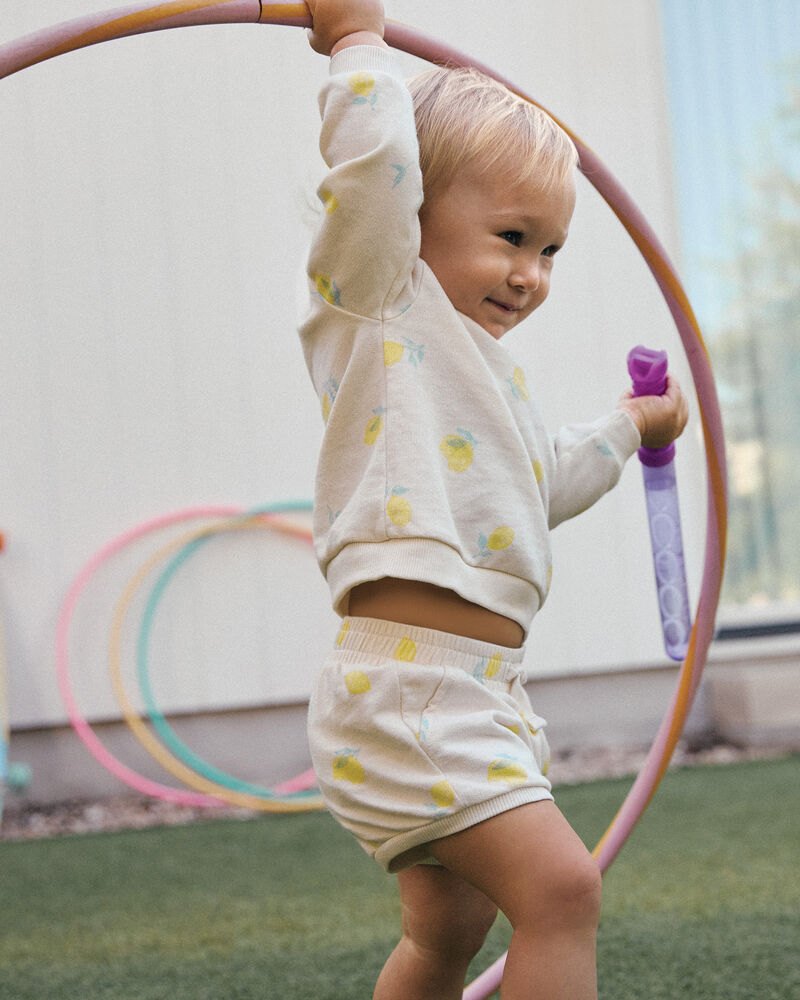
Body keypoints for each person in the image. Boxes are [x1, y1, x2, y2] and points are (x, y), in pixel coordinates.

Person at [299, 3, 689, 997]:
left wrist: (627, 427)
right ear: (410, 216)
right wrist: (356, 43)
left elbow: (541, 483)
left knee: (447, 932)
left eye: (549, 251)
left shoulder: (483, 375)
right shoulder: (380, 304)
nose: (530, 275)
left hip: (479, 692)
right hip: (410, 688)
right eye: (512, 237)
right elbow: (373, 173)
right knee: (561, 890)